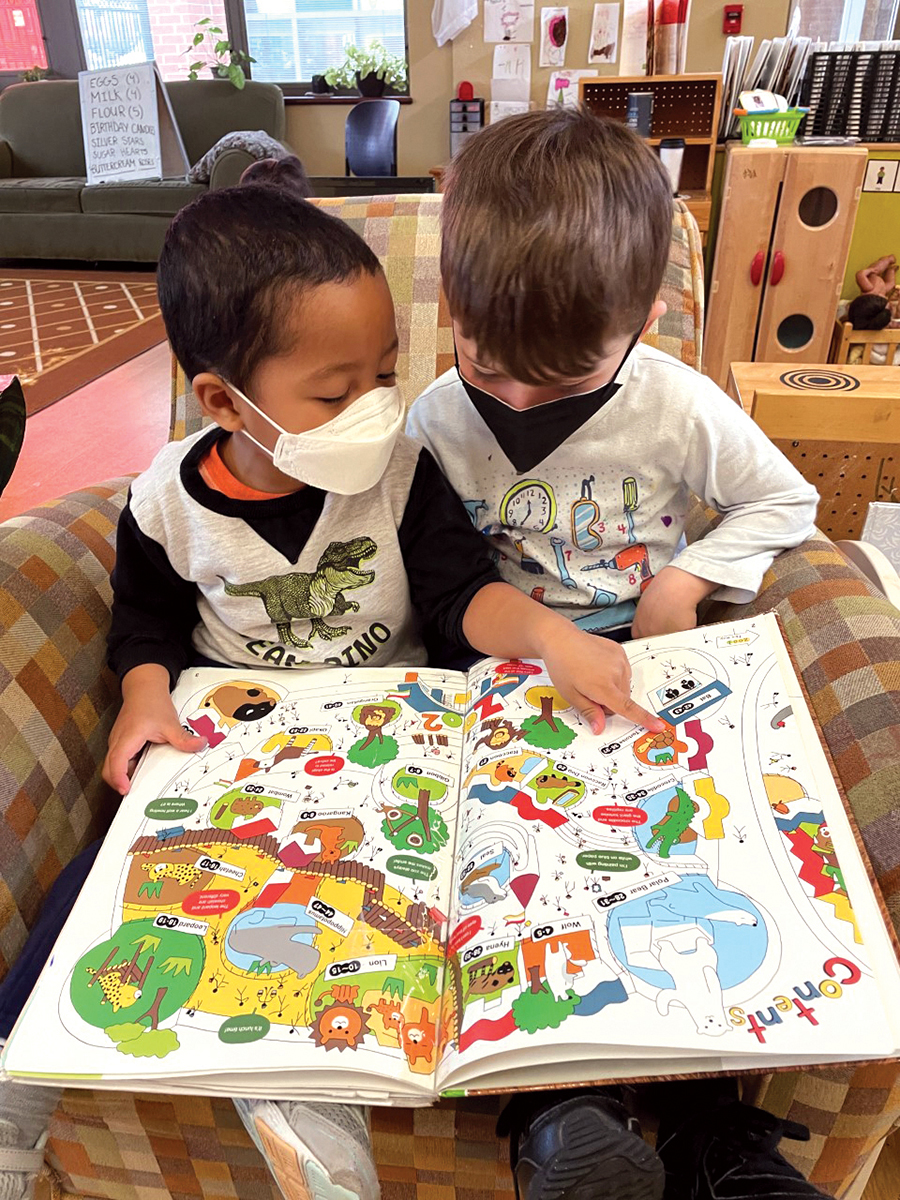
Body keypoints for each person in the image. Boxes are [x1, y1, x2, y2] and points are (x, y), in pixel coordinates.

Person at [0, 169, 664, 1200]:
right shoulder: (164, 507)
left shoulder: (398, 473)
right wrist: (142, 692)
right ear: (222, 400)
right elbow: (144, 619)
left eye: (385, 376)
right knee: (104, 885)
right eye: (333, 391)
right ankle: (17, 1102)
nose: (374, 409)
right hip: (232, 751)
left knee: (435, 897)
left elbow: (459, 598)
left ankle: (538, 1118)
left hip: (400, 749)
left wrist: (545, 635)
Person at [406, 108, 826, 1200]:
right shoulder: (434, 420)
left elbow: (786, 497)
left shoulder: (677, 404)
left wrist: (682, 581)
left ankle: (711, 1136)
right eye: (489, 365)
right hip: (502, 679)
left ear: (645, 315)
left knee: (684, 867)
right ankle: (559, 1114)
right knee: (517, 875)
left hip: (646, 674)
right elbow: (438, 578)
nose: (517, 400)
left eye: (564, 378)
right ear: (454, 309)